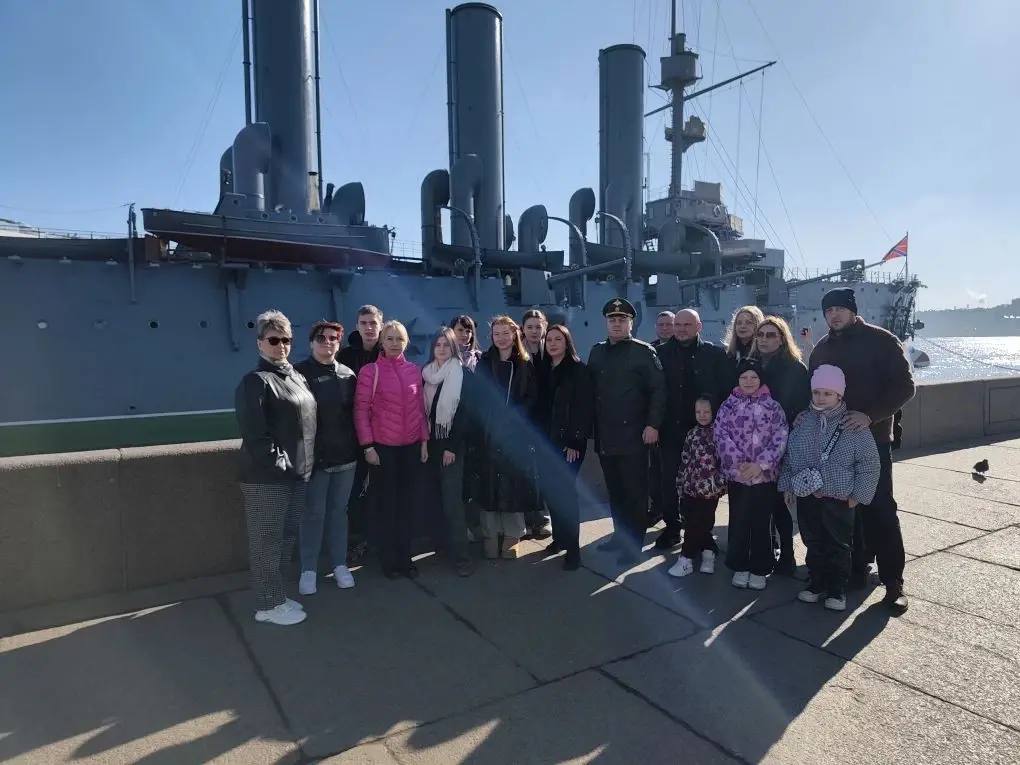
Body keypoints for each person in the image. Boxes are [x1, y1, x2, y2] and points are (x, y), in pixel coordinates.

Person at [808, 287, 915, 613]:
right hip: (834, 445)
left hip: (872, 440)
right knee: (844, 510)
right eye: (829, 311)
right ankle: (855, 570)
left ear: (853, 311)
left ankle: (894, 582)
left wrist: (870, 415)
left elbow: (905, 386)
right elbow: (813, 392)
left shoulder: (882, 340)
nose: (834, 315)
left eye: (840, 309)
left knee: (880, 509)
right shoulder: (821, 349)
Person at [234, 309, 316, 626]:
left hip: (297, 473)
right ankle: (267, 605)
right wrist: (280, 465)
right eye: (273, 340)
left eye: (286, 340)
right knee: (266, 541)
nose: (281, 346)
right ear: (260, 343)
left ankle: (277, 595)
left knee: (285, 538)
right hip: (267, 478)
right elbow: (255, 434)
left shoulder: (294, 376)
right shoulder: (255, 382)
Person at [780, 365, 880, 611]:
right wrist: (788, 485)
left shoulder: (852, 425)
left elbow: (869, 463)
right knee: (812, 541)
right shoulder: (804, 421)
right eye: (817, 392)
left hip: (839, 497)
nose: (821, 398)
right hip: (808, 495)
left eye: (827, 393)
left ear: (839, 395)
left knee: (839, 545)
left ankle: (837, 588)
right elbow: (790, 457)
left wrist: (858, 495)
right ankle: (817, 582)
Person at [587, 298, 667, 565]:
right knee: (616, 492)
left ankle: (633, 546)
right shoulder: (597, 352)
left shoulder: (643, 352)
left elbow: (658, 390)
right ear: (606, 322)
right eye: (612, 319)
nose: (617, 324)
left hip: (634, 435)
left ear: (631, 323)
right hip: (606, 435)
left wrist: (653, 425)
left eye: (622, 319)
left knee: (635, 493)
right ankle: (619, 537)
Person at [354, 320, 429, 579]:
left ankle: (405, 558)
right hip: (383, 449)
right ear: (381, 342)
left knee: (408, 504)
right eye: (390, 338)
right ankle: (389, 560)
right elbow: (361, 411)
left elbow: (420, 410)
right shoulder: (370, 371)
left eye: (399, 339)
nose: (395, 343)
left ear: (406, 342)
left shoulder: (414, 371)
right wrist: (368, 446)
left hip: (410, 448)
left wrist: (424, 441)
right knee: (387, 505)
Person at [653, 308, 733, 551]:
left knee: (702, 486)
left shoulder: (714, 355)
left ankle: (699, 532)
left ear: (699, 326)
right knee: (668, 482)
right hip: (670, 432)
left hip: (702, 435)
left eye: (687, 325)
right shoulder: (660, 354)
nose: (681, 329)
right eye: (677, 325)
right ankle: (672, 527)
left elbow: (725, 391)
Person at [295, 320, 359, 595]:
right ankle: (308, 569)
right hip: (315, 460)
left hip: (346, 457)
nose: (328, 342)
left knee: (338, 513)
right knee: (313, 514)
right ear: (311, 342)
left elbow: (356, 415)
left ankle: (340, 564)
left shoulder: (348, 374)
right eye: (321, 338)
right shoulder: (299, 373)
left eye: (333, 338)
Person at [714, 358, 789, 590]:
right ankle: (740, 564)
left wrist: (761, 464)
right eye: (744, 377)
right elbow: (720, 434)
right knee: (739, 520)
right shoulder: (728, 405)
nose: (748, 381)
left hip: (764, 478)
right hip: (738, 477)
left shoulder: (773, 407)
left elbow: (780, 437)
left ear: (761, 380)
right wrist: (739, 463)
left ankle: (760, 567)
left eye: (753, 377)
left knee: (762, 522)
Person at [474, 315, 539, 559]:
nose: (501, 338)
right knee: (489, 484)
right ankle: (490, 533)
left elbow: (531, 398)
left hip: (514, 433)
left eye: (505, 333)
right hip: (489, 431)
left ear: (514, 335)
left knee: (512, 484)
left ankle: (513, 534)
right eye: (496, 334)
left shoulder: (524, 364)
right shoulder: (484, 362)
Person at [754, 316, 811, 575]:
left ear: (782, 339)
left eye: (771, 335)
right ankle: (769, 551)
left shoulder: (795, 368)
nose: (764, 339)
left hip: (784, 442)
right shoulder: (753, 365)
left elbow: (803, 404)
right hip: (757, 443)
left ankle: (787, 555)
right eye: (760, 335)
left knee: (780, 503)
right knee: (766, 503)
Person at [540, 324, 595, 570]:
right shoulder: (543, 369)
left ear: (567, 343)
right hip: (546, 441)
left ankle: (573, 550)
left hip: (568, 445)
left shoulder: (578, 370)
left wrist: (575, 441)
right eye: (549, 340)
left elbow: (584, 408)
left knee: (566, 494)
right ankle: (560, 538)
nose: (552, 344)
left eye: (558, 339)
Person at [422, 327, 474, 577]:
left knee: (452, 501)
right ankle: (441, 547)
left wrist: (451, 447)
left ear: (453, 348)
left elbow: (464, 414)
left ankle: (462, 557)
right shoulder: (427, 374)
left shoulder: (462, 374)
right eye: (438, 344)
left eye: (446, 345)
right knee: (433, 498)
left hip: (451, 445)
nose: (441, 349)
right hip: (429, 443)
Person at [338, 304, 384, 564]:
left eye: (373, 323)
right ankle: (355, 542)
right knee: (352, 493)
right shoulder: (344, 357)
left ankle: (376, 540)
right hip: (353, 438)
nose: (368, 328)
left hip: (384, 436)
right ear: (357, 326)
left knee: (381, 493)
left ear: (380, 325)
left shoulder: (389, 354)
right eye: (364, 323)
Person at [668, 396, 726, 577]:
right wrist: (681, 483)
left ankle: (686, 559)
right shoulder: (692, 434)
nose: (702, 415)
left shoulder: (719, 434)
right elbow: (685, 460)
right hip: (690, 488)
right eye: (698, 412)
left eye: (706, 411)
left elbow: (725, 461)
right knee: (692, 522)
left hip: (709, 491)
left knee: (701, 522)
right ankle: (709, 551)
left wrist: (719, 484)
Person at [521, 309, 553, 540]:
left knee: (544, 473)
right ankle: (525, 519)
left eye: (538, 326)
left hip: (547, 422)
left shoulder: (552, 351)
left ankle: (542, 518)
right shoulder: (517, 353)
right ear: (522, 329)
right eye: (529, 326)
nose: (534, 331)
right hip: (524, 421)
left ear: (545, 327)